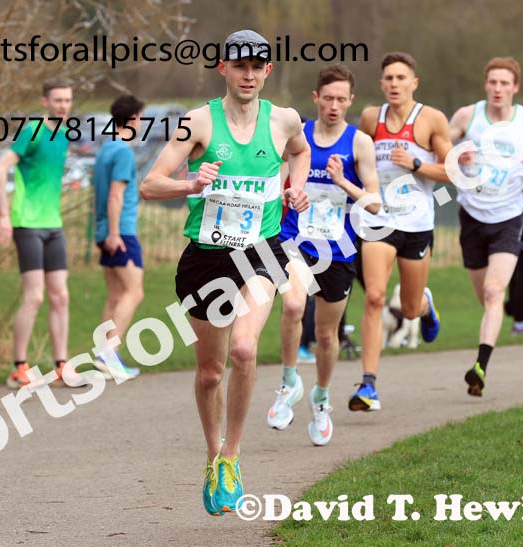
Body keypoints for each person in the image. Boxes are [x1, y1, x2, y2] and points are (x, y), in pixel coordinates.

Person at [140, 30, 310, 515]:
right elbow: (150, 184)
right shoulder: (196, 123)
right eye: (240, 66)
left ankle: (233, 457)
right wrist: (191, 184)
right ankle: (213, 454)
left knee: (243, 348)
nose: (249, 74)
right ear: (223, 68)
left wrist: (294, 187)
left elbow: (299, 152)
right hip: (206, 259)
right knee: (211, 372)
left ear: (268, 71)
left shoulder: (284, 120)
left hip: (260, 251)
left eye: (258, 66)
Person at [267, 64, 380, 445]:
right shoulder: (295, 137)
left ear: (350, 101)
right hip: (294, 241)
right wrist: (283, 193)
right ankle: (287, 385)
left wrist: (342, 181)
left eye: (341, 99)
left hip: (338, 250)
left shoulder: (359, 142)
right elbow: (273, 180)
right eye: (327, 98)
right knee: (294, 307)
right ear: (315, 98)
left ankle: (321, 399)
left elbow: (376, 204)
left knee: (326, 335)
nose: (333, 105)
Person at [449, 57, 523, 397]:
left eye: (505, 83)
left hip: (508, 217)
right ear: (485, 85)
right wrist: (458, 152)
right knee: (484, 296)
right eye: (493, 82)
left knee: (492, 292)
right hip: (471, 216)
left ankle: (480, 366)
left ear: (515, 88)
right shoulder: (466, 116)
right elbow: (438, 145)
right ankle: (480, 318)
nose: (498, 88)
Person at [351, 52, 451, 411]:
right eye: (388, 78)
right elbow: (354, 160)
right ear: (381, 83)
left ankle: (425, 308)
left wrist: (417, 163)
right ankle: (368, 386)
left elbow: (453, 170)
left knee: (408, 309)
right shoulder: (369, 119)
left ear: (414, 83)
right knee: (375, 298)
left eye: (401, 78)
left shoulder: (430, 120)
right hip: (379, 221)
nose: (394, 84)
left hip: (417, 224)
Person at [0, 80, 73, 389]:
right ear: (45, 101)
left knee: (61, 295)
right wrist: (4, 216)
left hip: (54, 224)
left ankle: (62, 365)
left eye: (67, 100)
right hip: (27, 224)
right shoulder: (32, 132)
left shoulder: (64, 135)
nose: (63, 105)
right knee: (35, 296)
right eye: (57, 100)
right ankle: (19, 367)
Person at [92, 94, 145, 381]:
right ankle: (109, 353)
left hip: (105, 230)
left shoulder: (104, 150)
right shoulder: (123, 152)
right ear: (134, 118)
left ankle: (103, 354)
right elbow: (115, 194)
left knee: (116, 294)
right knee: (134, 292)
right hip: (120, 232)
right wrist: (114, 233)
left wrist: (102, 232)